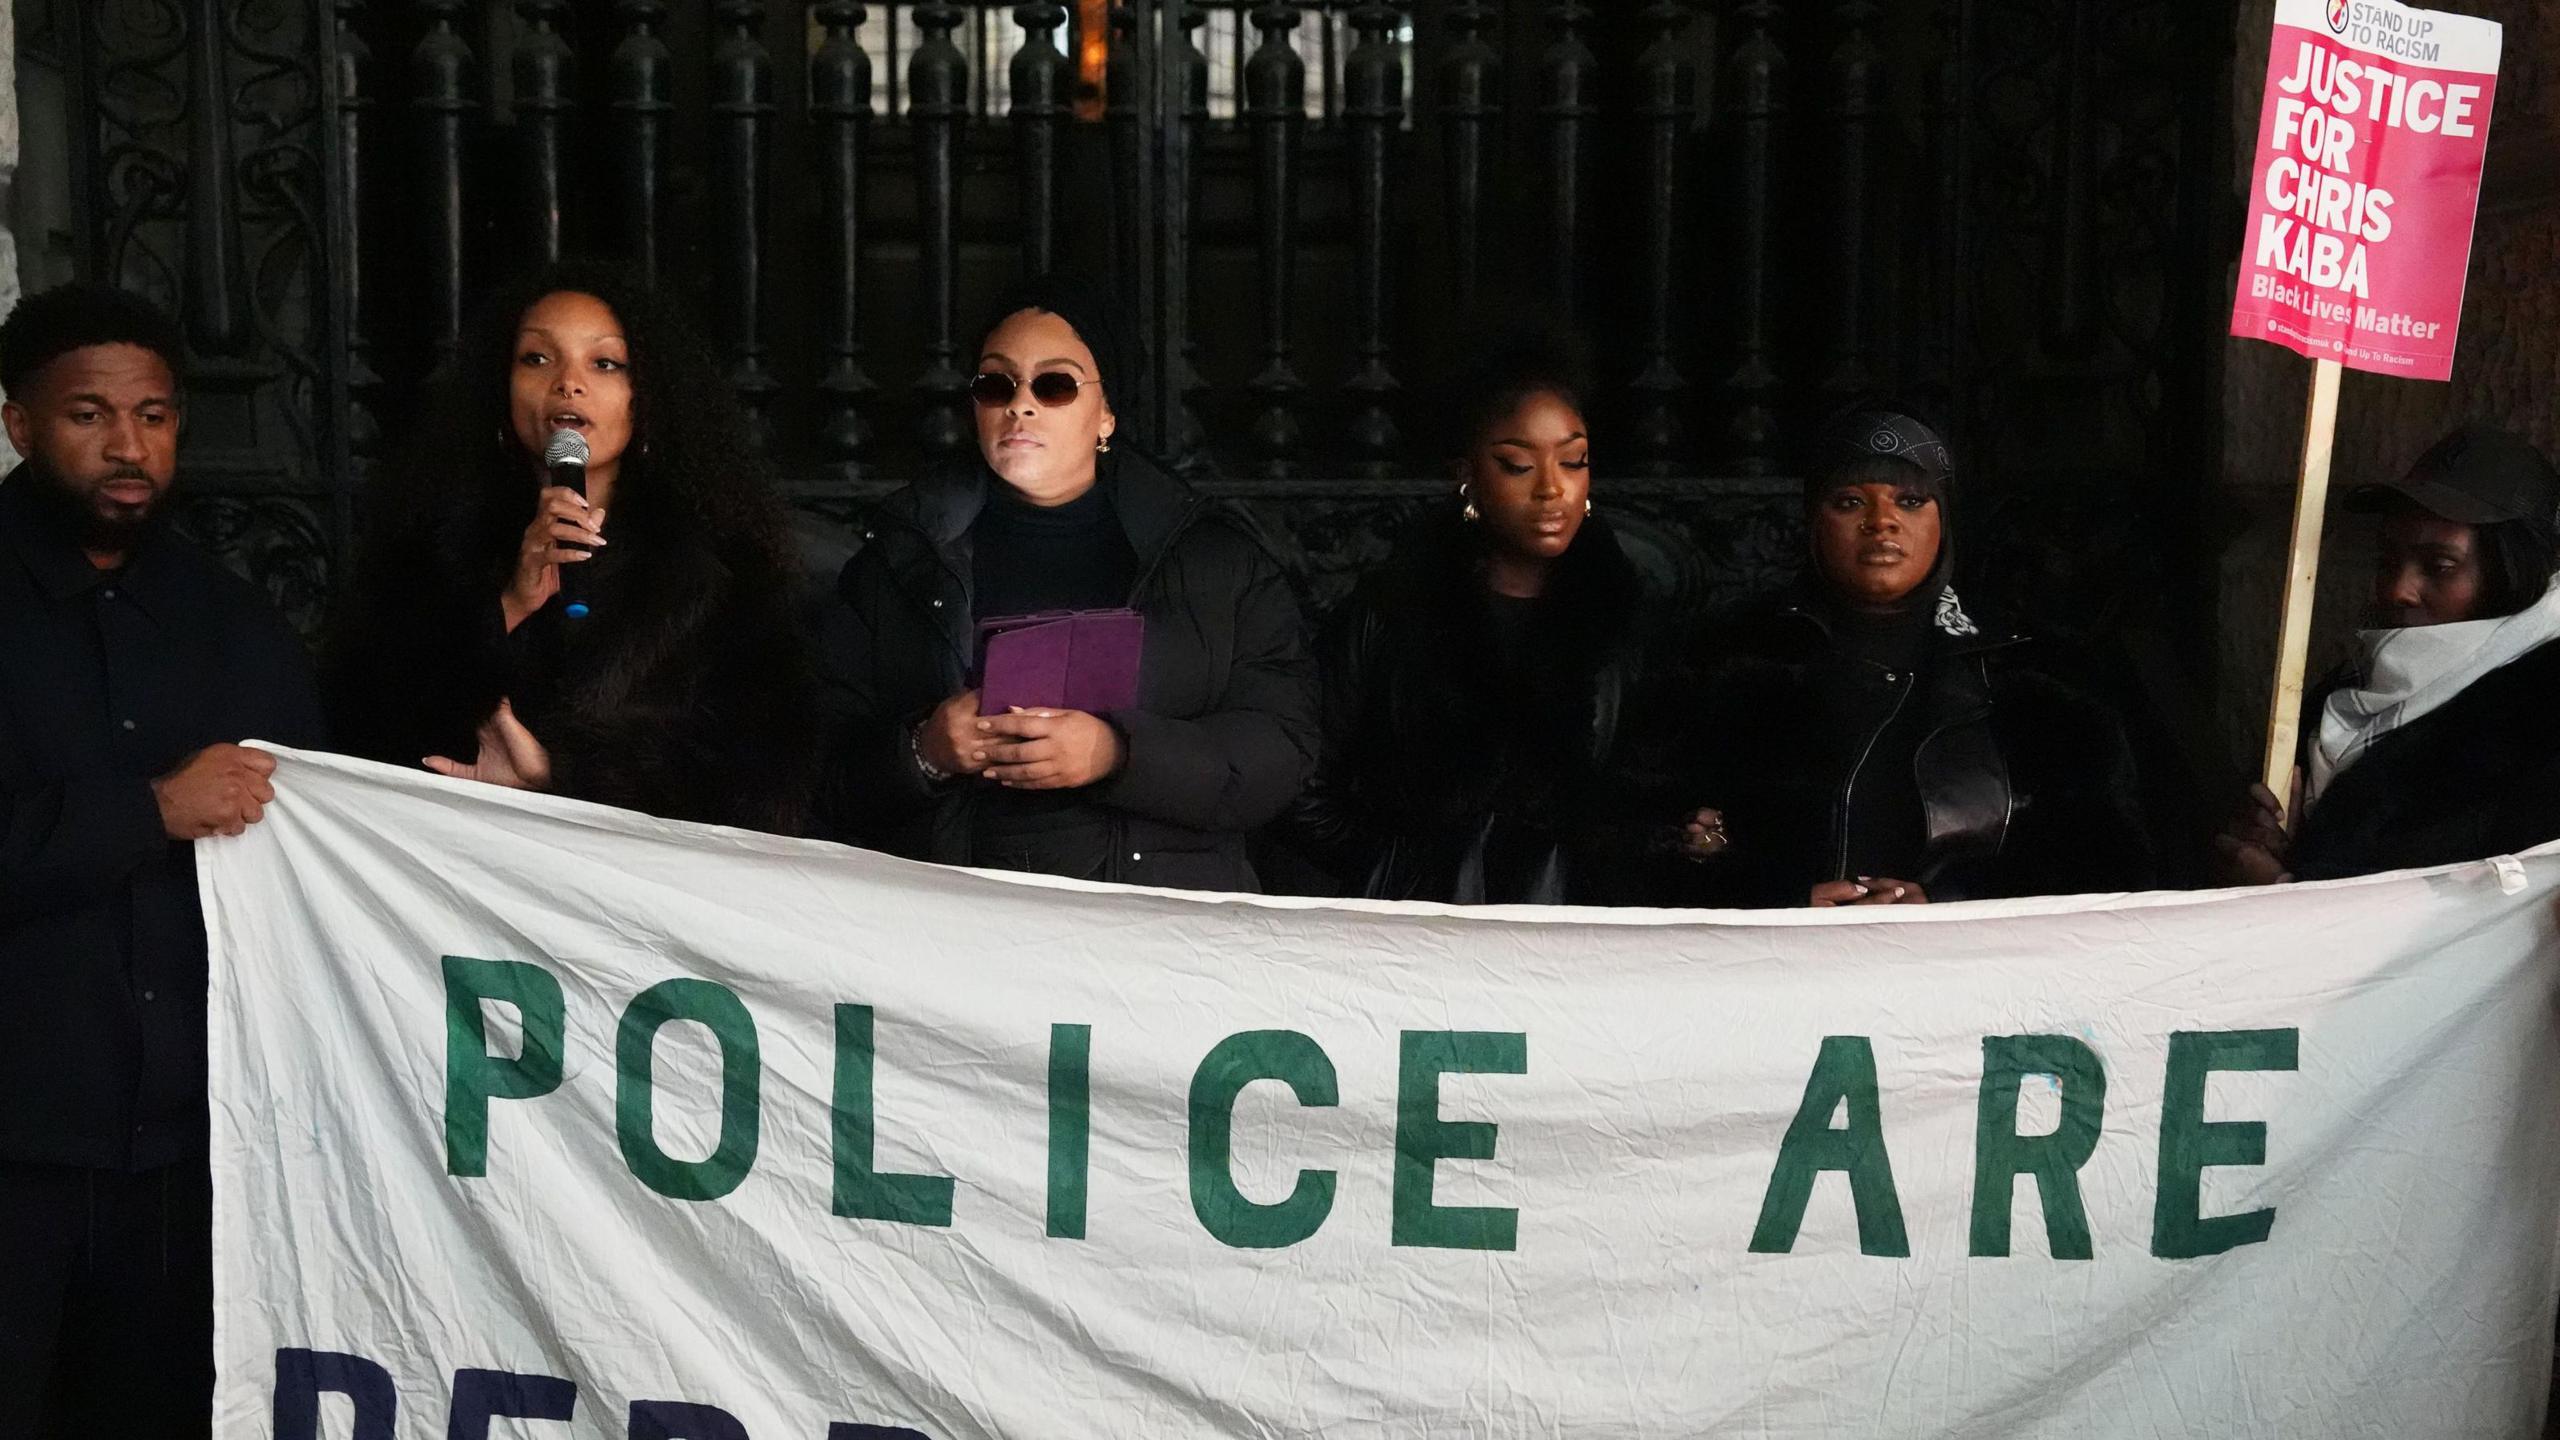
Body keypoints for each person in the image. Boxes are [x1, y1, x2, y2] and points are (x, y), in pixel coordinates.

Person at [0, 283, 325, 1434]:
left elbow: (327, 847)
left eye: (154, 414)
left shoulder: (233, 624)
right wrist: (147, 810)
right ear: (18, 422)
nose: (129, 445)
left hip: (185, 1170)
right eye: (90, 415)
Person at [818, 273, 1317, 890]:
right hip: (956, 931)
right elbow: (818, 770)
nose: (1019, 405)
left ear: (1106, 414)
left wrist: (1117, 754)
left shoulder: (1211, 559)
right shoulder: (899, 560)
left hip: (1155, 930)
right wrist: (924, 751)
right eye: (996, 383)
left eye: (1054, 385)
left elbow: (1281, 750)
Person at [325, 260, 813, 832]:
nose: (568, 382)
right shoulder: (429, 544)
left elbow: (769, 778)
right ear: (500, 392)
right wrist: (505, 608)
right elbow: (355, 727)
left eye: (604, 363)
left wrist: (563, 774)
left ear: (645, 399)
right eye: (537, 358)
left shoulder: (722, 565)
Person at [1668, 406, 2154, 907]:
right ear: (1814, 520)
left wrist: (1944, 904)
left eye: (1911, 500)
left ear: (1944, 520)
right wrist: (1781, 898)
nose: (1882, 523)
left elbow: (2108, 863)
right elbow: (1635, 839)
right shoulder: (1726, 655)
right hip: (1772, 967)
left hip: (1972, 969)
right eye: (1851, 501)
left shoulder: (2035, 670)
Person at [1280, 338, 1665, 903]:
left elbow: (1658, 790)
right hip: (1422, 941)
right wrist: (1400, 870)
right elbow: (1301, 777)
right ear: (1467, 476)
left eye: (1574, 460)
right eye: (1518, 464)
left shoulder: (1628, 617)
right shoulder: (1395, 610)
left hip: (1582, 943)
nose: (1552, 488)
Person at [2215, 424, 2560, 884]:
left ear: (2512, 572)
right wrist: (2275, 839)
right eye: (2389, 560)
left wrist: (2285, 893)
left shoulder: (2541, 715)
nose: (2399, 590)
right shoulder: (2352, 685)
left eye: (2440, 567)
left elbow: (2490, 912)